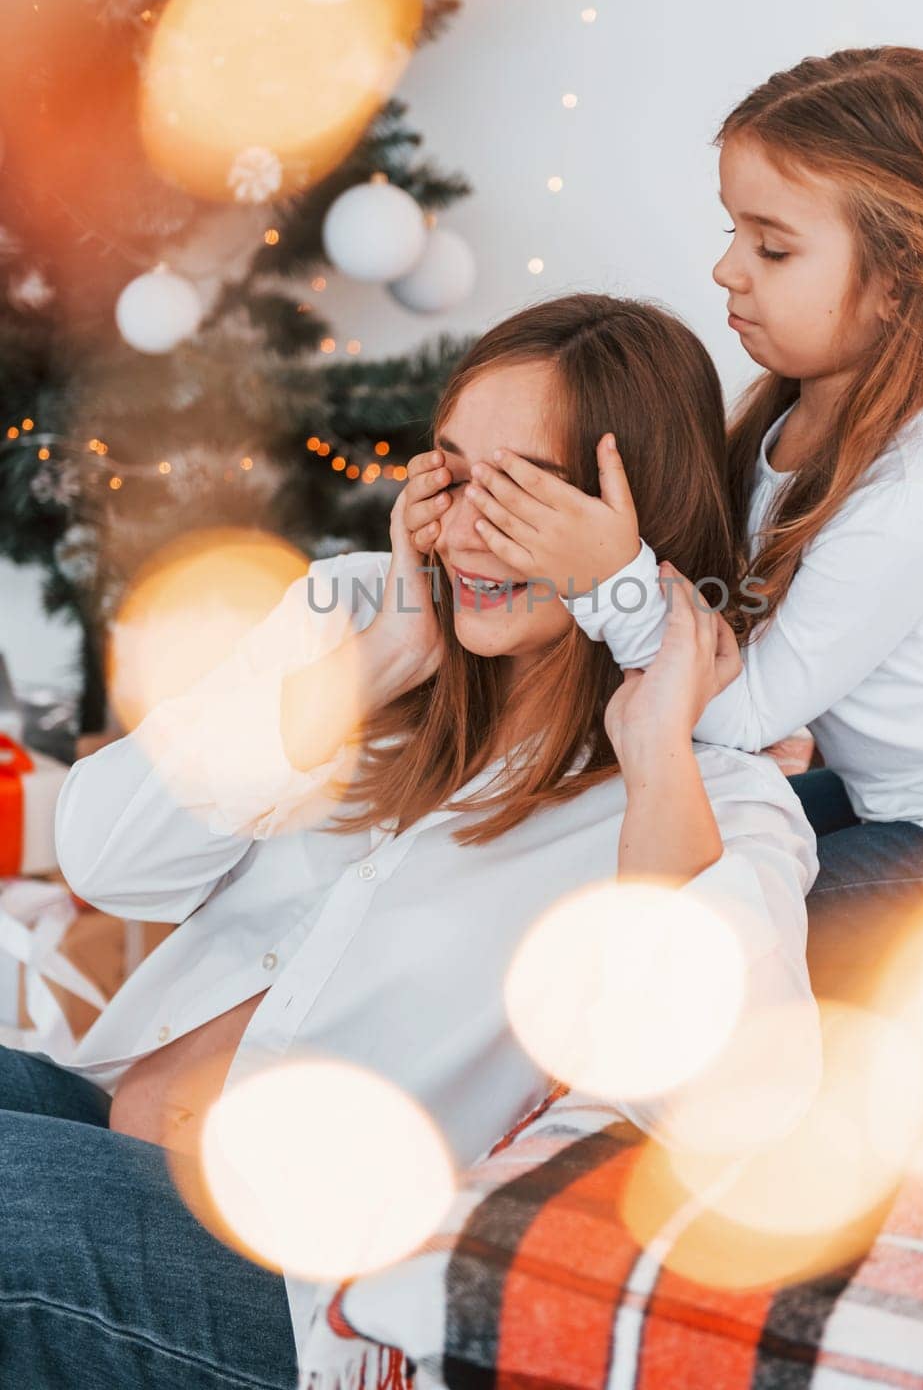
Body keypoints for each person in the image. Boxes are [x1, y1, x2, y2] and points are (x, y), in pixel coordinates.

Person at [1, 296, 820, 1388]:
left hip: (292, 1289)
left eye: (524, 490)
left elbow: (720, 1104)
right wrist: (372, 667)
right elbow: (105, 854)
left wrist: (657, 744)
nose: (468, 528)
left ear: (637, 515)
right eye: (451, 473)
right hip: (107, 1130)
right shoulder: (349, 620)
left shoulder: (709, 794)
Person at [406, 48, 923, 999]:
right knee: (691, 850)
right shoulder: (794, 410)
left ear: (900, 282)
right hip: (898, 792)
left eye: (772, 247)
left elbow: (740, 715)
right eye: (733, 233)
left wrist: (607, 576)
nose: (725, 269)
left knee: (728, 948)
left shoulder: (917, 500)